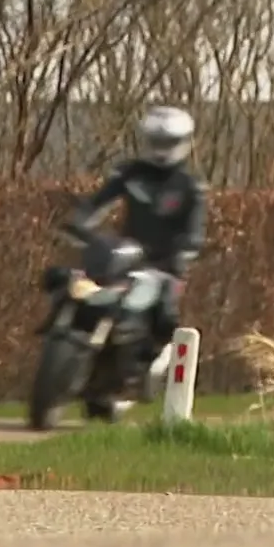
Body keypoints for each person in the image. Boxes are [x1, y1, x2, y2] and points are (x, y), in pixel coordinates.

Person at [59, 105, 207, 374]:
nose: (162, 147)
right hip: (124, 255)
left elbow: (195, 231)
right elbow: (99, 202)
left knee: (165, 312)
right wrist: (81, 223)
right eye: (157, 140)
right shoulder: (130, 173)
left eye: (169, 142)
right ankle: (69, 338)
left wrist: (187, 248)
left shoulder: (189, 186)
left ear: (183, 142)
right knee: (69, 283)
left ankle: (155, 357)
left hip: (164, 265)